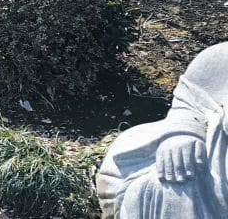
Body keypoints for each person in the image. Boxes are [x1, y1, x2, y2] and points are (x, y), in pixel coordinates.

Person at [97, 42, 228, 218]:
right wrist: (182, 134)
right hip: (214, 162)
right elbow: (188, 102)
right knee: (162, 186)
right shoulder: (220, 57)